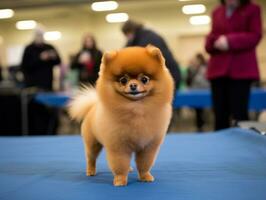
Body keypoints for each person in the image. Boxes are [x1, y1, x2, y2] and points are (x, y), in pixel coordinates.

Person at [205, 0, 262, 130]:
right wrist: (212, 42)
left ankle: (243, 147)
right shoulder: (217, 11)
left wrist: (229, 41)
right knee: (219, 114)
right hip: (217, 70)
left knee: (239, 114)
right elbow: (212, 36)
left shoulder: (253, 9)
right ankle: (219, 146)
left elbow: (255, 35)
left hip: (241, 70)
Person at [121, 20, 181, 89]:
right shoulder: (143, 37)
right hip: (168, 76)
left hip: (168, 77)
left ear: (129, 32)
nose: (127, 39)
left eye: (126, 36)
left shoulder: (146, 39)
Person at [186, 53, 209, 132]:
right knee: (197, 110)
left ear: (200, 60)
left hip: (203, 92)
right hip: (194, 92)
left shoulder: (204, 69)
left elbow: (205, 82)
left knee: (200, 109)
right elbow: (188, 81)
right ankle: (200, 125)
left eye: (196, 60)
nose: (194, 61)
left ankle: (201, 124)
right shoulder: (191, 69)